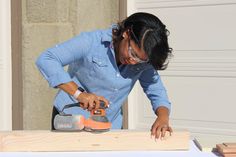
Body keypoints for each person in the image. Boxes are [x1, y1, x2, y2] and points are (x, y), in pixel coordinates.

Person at [36, 12, 173, 139]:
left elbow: (156, 89)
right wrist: (80, 94)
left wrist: (163, 116)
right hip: (71, 121)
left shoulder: (143, 60)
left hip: (110, 126)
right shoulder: (91, 42)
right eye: (133, 53)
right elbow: (47, 59)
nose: (133, 61)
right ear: (127, 33)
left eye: (141, 60)